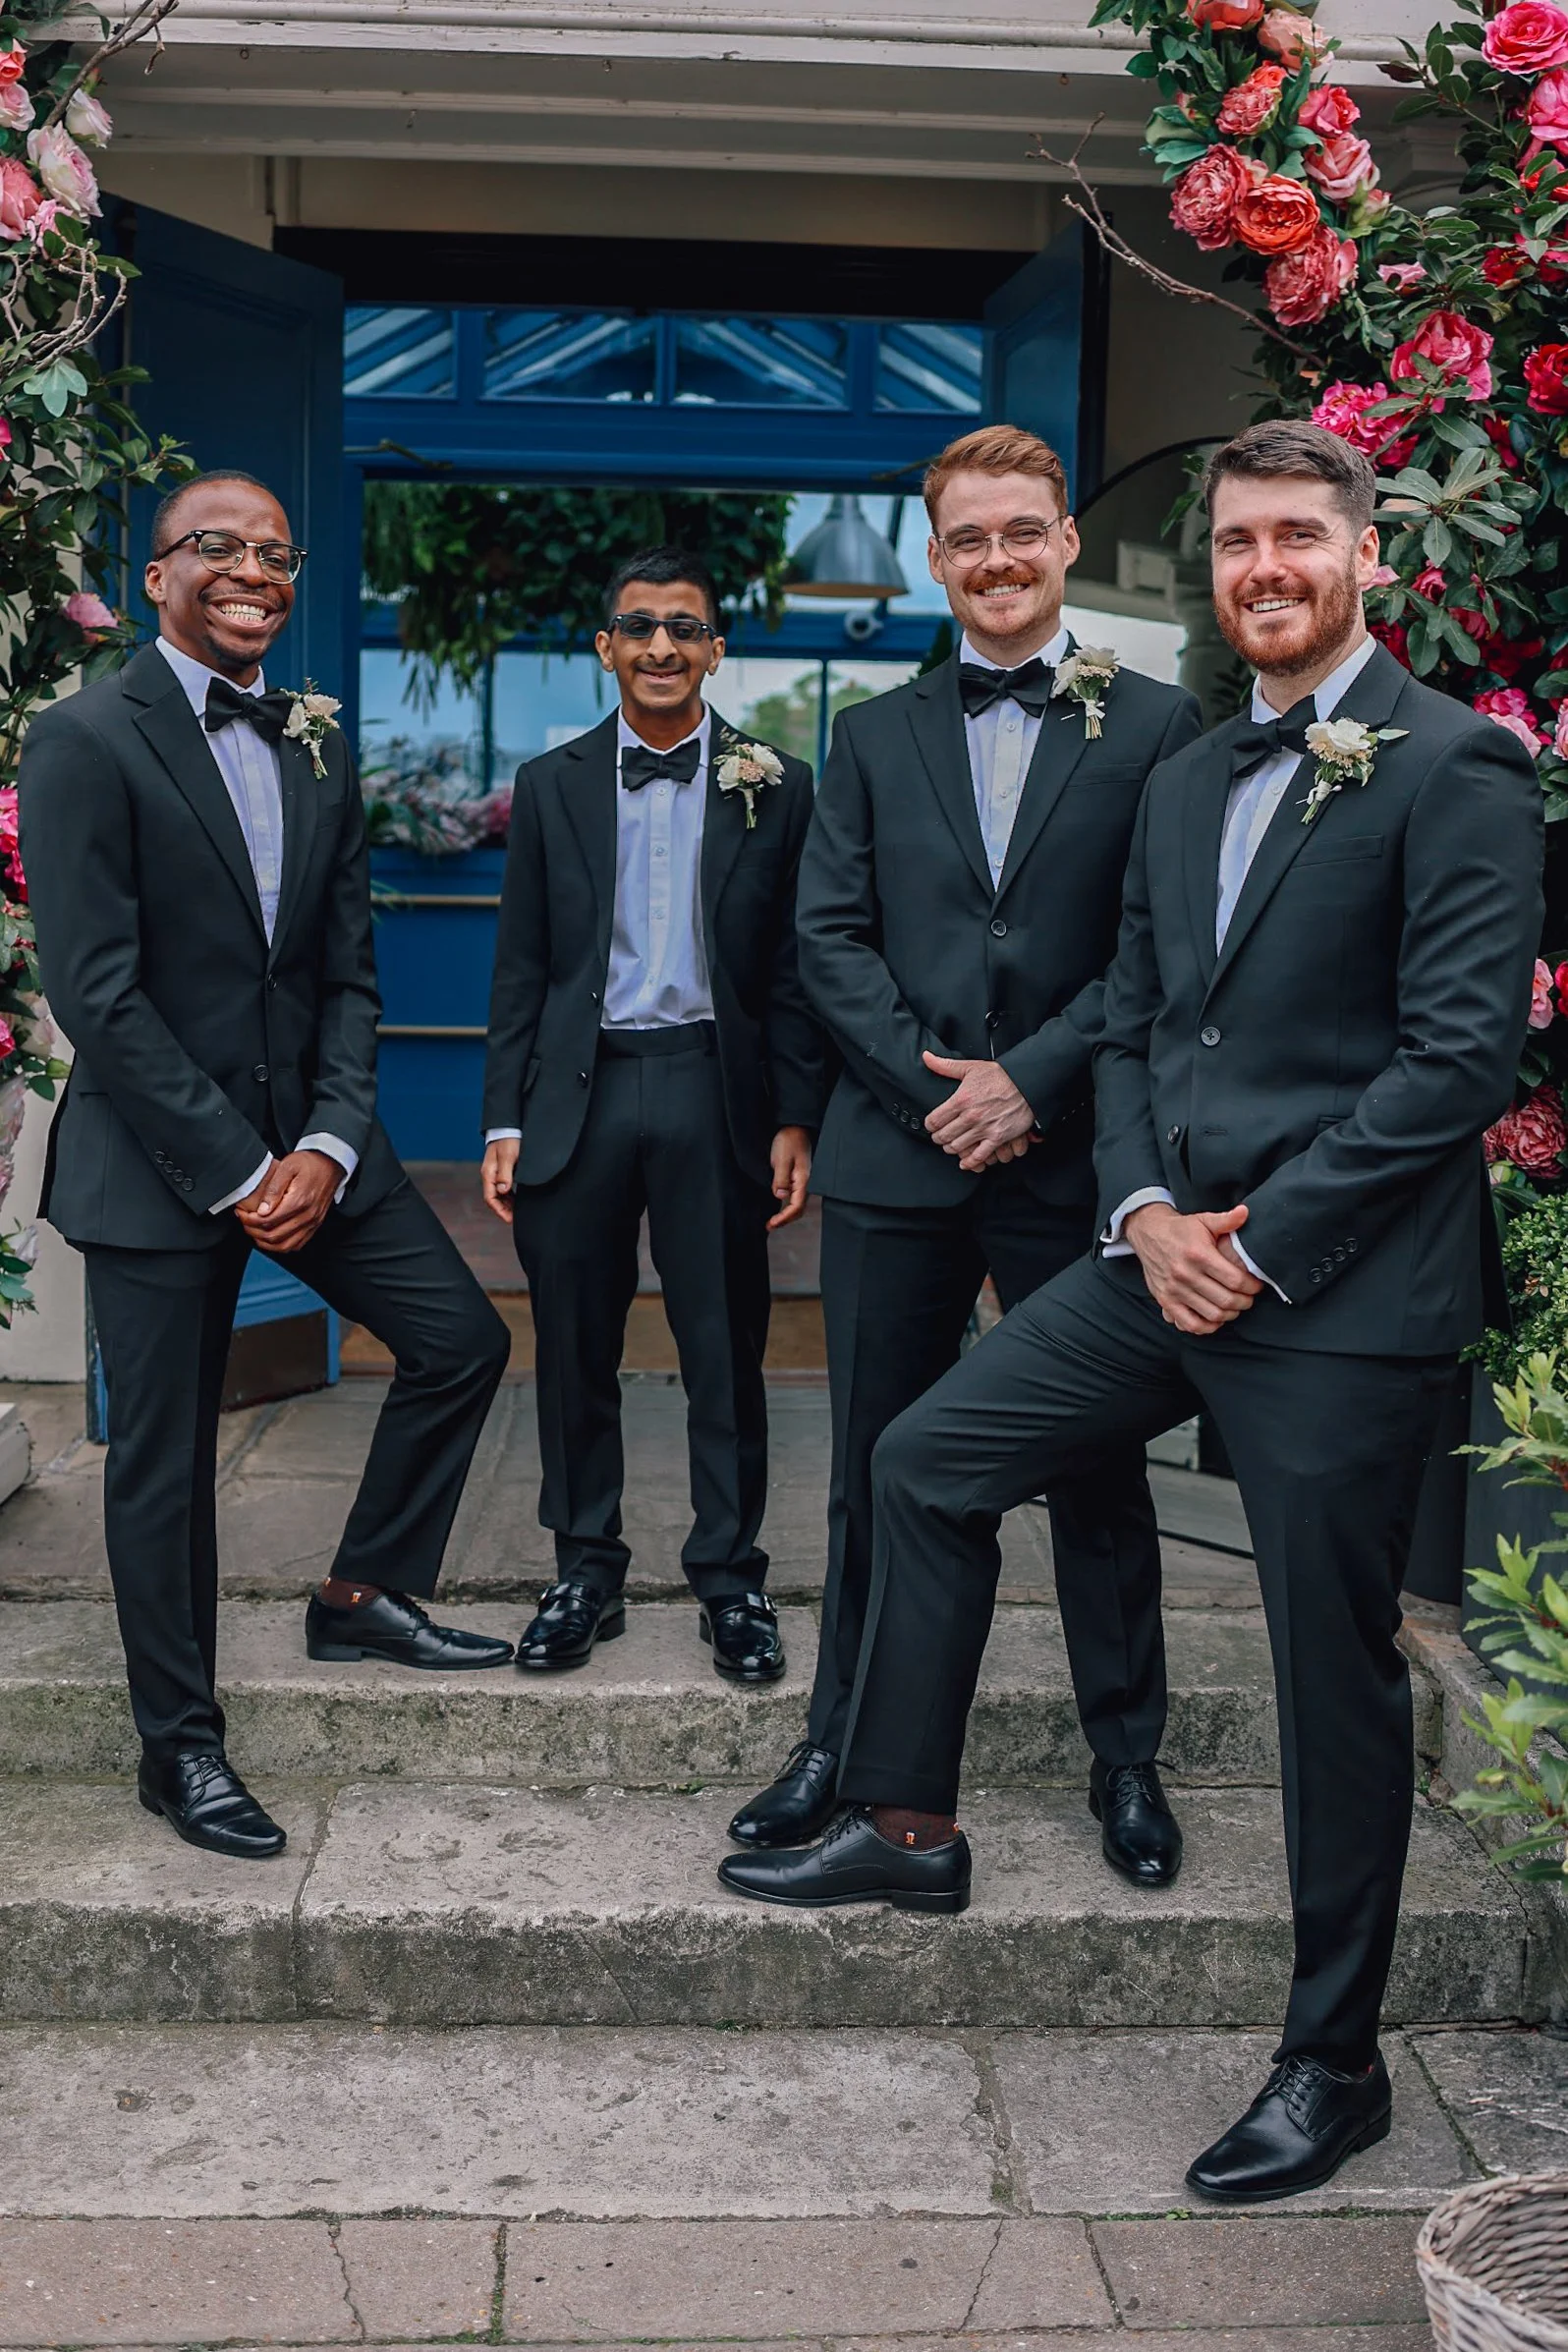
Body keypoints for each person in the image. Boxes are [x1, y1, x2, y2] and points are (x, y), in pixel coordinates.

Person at [719, 420, 1543, 2205]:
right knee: (929, 1455)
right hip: (1158, 1251)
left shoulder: (1457, 767)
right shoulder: (1183, 772)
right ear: (1209, 567)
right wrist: (1148, 1204)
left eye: (1296, 541)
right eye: (1238, 541)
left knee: (1334, 1684)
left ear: (1364, 558)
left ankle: (1332, 2067)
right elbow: (1158, 1015)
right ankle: (908, 1815)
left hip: (1340, 1294)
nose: (1265, 567)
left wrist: (1257, 1236)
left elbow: (1456, 1058)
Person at [20, 471, 515, 1862]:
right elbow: (97, 993)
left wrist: (328, 1138)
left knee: (461, 1339)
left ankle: (361, 1595)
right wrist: (243, 1168)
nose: (254, 571)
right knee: (165, 1468)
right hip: (159, 1160)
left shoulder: (316, 745)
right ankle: (179, 1747)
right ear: (157, 569)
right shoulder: (81, 739)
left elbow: (347, 972)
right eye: (219, 549)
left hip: (315, 1145)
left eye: (277, 553)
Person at [729, 424, 1203, 1878]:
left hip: (1070, 1165)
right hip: (896, 1163)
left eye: (1021, 530)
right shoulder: (872, 734)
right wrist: (938, 1092)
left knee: (1100, 1473)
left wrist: (1033, 1082)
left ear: (1064, 541)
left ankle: (1127, 1758)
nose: (996, 558)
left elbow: (1162, 949)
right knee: (879, 1464)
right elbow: (826, 938)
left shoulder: (1163, 726)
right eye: (968, 538)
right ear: (938, 561)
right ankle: (842, 1741)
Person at [481, 547, 821, 1680]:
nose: (664, 646)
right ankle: (585, 1568)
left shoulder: (779, 783)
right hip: (577, 1094)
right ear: (607, 647)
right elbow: (521, 966)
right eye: (641, 627)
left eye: (685, 627)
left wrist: (794, 1114)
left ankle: (731, 1579)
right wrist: (502, 1120)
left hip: (714, 1088)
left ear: (716, 649)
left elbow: (790, 967)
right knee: (572, 1344)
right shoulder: (550, 782)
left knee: (722, 1348)